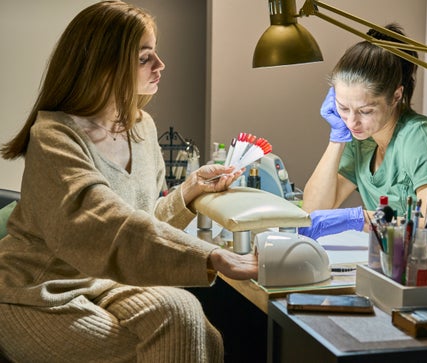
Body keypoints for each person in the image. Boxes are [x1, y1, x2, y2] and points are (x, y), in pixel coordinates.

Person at [0, 2, 257, 362]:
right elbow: (103, 223)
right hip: (36, 292)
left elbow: (140, 220)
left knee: (184, 313)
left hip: (104, 282)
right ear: (103, 65)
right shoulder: (54, 137)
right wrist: (210, 255)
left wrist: (190, 189)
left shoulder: (141, 127)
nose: (160, 65)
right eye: (144, 57)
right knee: (166, 343)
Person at [300, 23, 427, 266]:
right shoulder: (361, 139)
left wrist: (364, 219)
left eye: (365, 110)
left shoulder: (420, 139)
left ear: (397, 96)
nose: (352, 121)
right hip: (398, 268)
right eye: (343, 107)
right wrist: (337, 138)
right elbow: (314, 209)